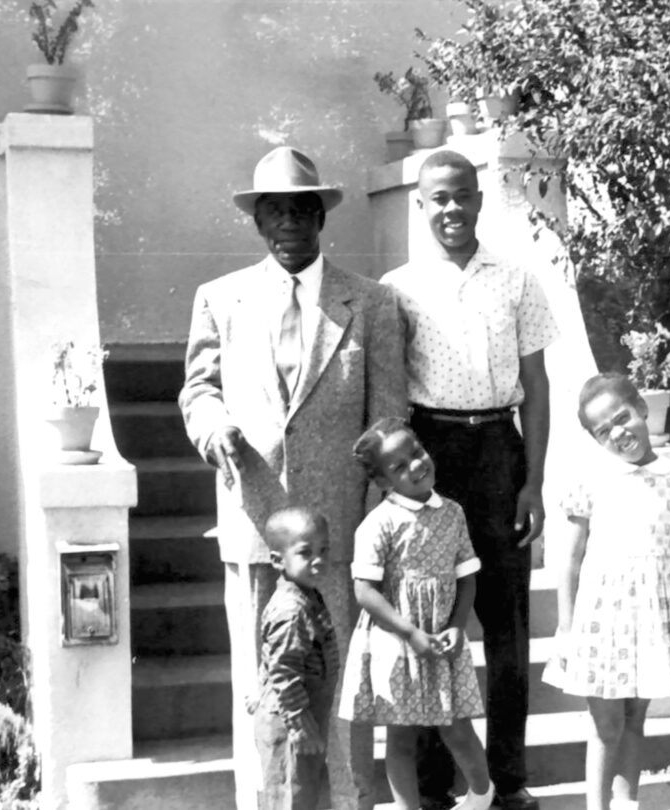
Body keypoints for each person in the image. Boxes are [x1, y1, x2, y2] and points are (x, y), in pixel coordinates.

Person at [179, 145, 407, 810]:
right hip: (256, 523)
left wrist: (369, 511)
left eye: (302, 210)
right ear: (256, 222)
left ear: (320, 217)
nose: (289, 224)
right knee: (262, 687)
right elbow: (199, 390)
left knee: (334, 688)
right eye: (274, 212)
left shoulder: (370, 302)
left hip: (339, 527)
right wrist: (213, 427)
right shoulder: (220, 298)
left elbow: (389, 415)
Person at [380, 149, 558, 810]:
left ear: (479, 200)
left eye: (462, 196)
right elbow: (390, 391)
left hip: (497, 455)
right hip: (430, 456)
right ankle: (432, 789)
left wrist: (533, 482)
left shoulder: (516, 280)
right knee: (427, 618)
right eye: (438, 200)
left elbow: (536, 390)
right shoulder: (397, 288)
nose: (451, 209)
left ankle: (510, 783)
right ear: (421, 206)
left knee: (507, 627)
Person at [542, 373, 670, 810]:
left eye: (622, 418)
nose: (618, 433)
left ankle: (626, 803)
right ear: (596, 440)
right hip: (601, 621)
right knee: (606, 725)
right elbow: (571, 559)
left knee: (636, 720)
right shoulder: (592, 479)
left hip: (655, 618)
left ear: (641, 408)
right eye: (604, 430)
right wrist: (565, 628)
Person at [340, 417, 496, 810]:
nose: (415, 466)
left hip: (444, 638)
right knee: (401, 736)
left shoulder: (453, 513)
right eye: (399, 466)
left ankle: (481, 794)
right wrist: (409, 633)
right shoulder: (378, 524)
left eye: (417, 453)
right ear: (383, 482)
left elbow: (467, 578)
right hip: (397, 639)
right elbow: (365, 591)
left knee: (457, 726)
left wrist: (458, 626)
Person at [252, 507, 340, 810]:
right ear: (278, 560)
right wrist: (299, 724)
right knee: (291, 796)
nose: (319, 560)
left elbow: (275, 657)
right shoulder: (292, 610)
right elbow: (284, 669)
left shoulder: (307, 594)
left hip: (304, 713)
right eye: (306, 553)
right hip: (291, 723)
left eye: (324, 550)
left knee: (307, 794)